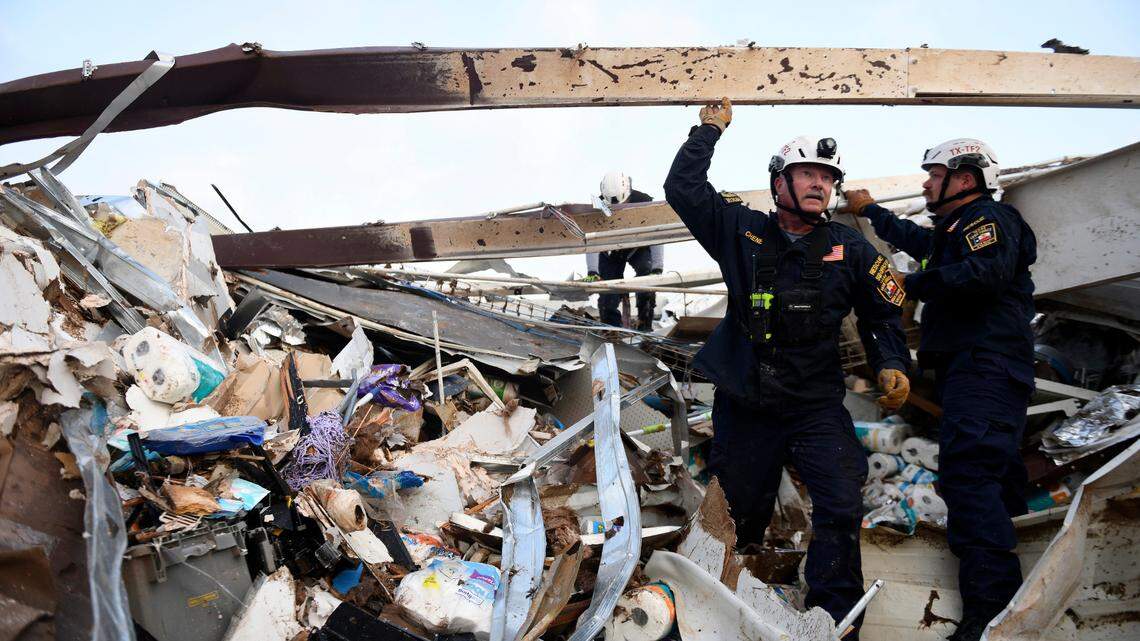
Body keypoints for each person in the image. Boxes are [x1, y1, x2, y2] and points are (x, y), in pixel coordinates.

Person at [664, 97, 911, 637]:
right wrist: (708, 131)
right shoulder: (741, 231)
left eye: (827, 176)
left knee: (842, 503)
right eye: (807, 173)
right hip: (749, 402)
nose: (820, 184)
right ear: (779, 182)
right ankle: (711, 612)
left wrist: (892, 361)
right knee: (736, 516)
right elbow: (683, 191)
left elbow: (883, 315)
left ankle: (836, 618)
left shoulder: (852, 249)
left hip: (814, 405)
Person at [841, 139, 1037, 641]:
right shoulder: (956, 231)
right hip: (975, 371)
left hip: (985, 368)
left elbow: (985, 272)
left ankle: (990, 618)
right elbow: (921, 242)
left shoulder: (990, 221)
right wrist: (871, 213)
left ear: (965, 179)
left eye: (933, 174)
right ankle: (1024, 602)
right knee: (994, 482)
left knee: (970, 481)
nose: (926, 183)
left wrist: (914, 285)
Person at [585, 172, 664, 330]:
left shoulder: (645, 202)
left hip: (637, 246)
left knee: (647, 276)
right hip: (611, 250)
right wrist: (592, 271)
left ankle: (644, 325)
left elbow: (657, 234)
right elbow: (591, 238)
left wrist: (657, 268)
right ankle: (612, 331)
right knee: (607, 291)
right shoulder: (597, 205)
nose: (617, 208)